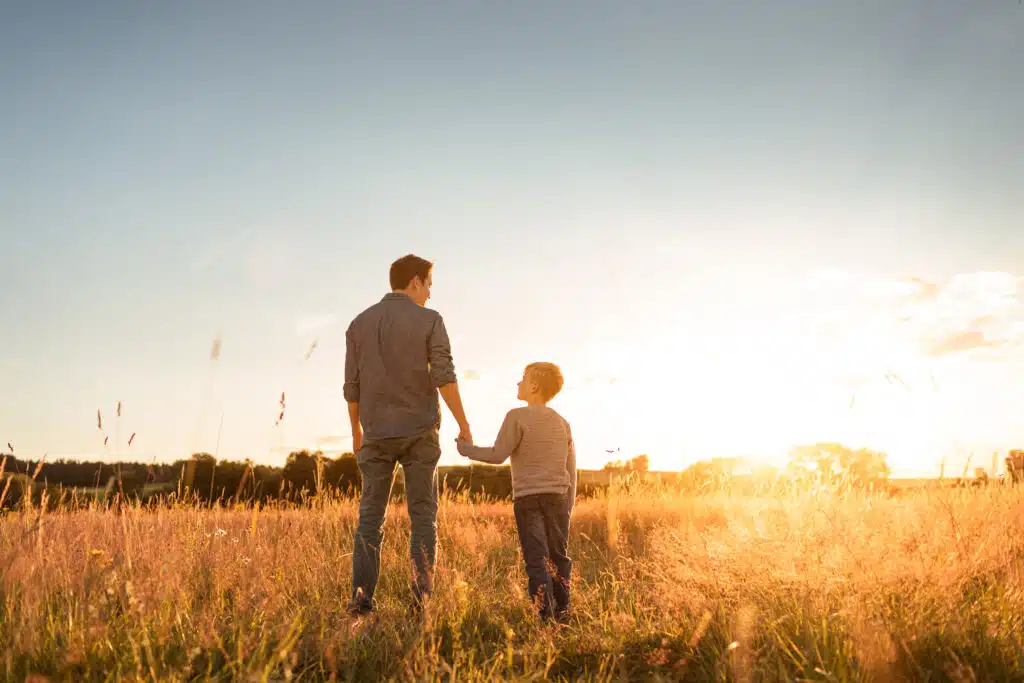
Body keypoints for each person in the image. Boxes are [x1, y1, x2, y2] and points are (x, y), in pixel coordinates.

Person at [344, 254, 472, 616]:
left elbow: (352, 386)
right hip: (420, 433)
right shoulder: (431, 320)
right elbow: (444, 375)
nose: (430, 293)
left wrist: (355, 431)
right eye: (429, 284)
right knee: (423, 518)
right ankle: (421, 601)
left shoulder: (358, 324)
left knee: (369, 521)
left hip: (375, 434)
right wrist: (463, 423)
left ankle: (361, 603)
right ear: (415, 281)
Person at [456, 362, 576, 623]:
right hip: (559, 499)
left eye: (522, 378)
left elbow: (498, 454)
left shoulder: (516, 416)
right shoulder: (563, 423)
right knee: (559, 557)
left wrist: (467, 450)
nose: (518, 383)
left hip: (528, 499)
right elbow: (571, 469)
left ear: (534, 386)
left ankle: (545, 618)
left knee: (537, 560)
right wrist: (570, 504)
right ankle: (564, 612)